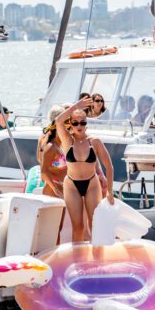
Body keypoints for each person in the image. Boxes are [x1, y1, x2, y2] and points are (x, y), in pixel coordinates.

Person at [56, 97, 114, 242]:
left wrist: (111, 192)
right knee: (78, 227)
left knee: (95, 225)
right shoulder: (67, 140)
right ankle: (79, 262)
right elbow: (58, 121)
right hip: (72, 185)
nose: (79, 125)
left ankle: (97, 258)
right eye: (75, 122)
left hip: (91, 184)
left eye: (82, 122)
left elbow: (109, 167)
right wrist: (76, 106)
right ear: (71, 124)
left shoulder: (95, 141)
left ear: (87, 124)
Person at [39, 110, 67, 199]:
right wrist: (55, 189)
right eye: (66, 128)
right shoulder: (51, 147)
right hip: (52, 190)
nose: (68, 130)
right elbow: (44, 172)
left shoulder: (60, 146)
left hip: (61, 188)